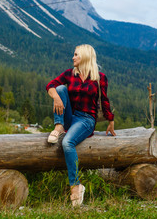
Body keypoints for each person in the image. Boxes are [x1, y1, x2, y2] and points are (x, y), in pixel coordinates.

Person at [46, 44, 116, 207]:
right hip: (70, 116)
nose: (73, 57)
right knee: (61, 88)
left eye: (76, 54)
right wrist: (56, 97)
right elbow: (50, 85)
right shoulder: (70, 74)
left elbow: (104, 100)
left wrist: (110, 120)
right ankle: (58, 126)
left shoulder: (100, 78)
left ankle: (75, 187)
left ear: (84, 56)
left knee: (67, 143)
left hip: (86, 120)